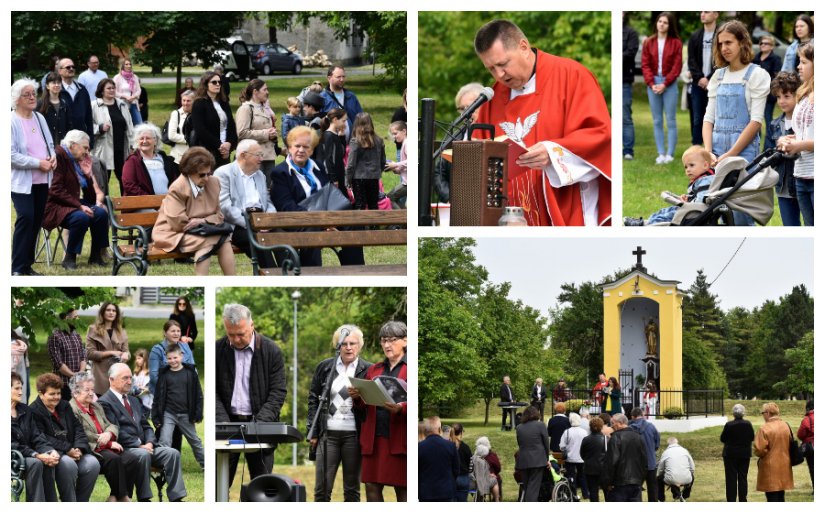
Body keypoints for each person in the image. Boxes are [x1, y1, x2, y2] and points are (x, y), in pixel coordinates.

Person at [474, 19, 611, 226]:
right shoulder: (491, 99)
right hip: (511, 218)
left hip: (565, 208)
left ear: (523, 47)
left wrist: (553, 152)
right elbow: (481, 159)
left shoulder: (571, 76)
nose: (499, 75)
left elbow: (600, 135)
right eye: (491, 68)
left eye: (503, 64)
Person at [703, 20, 771, 224]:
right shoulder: (718, 76)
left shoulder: (757, 75)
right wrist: (708, 151)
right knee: (712, 208)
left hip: (743, 151)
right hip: (715, 151)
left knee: (740, 213)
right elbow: (708, 118)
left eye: (729, 42)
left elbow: (756, 121)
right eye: (720, 44)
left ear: (742, 42)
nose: (724, 48)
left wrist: (731, 154)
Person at [270, 125, 366, 267]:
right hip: (298, 221)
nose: (301, 150)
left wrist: (329, 221)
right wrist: (319, 222)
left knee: (352, 224)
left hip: (326, 219)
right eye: (297, 146)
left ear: (312, 149)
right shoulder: (280, 173)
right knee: (312, 231)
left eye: (306, 147)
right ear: (289, 148)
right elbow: (286, 207)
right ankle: (312, 274)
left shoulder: (318, 166)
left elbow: (329, 195)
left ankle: (355, 271)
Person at [215, 304, 287, 486]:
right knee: (219, 484)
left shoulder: (272, 351)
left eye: (241, 334)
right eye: (231, 335)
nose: (236, 339)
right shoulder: (217, 350)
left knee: (261, 486)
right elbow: (212, 390)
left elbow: (277, 392)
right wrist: (223, 422)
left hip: (260, 426)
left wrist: (259, 423)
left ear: (251, 325)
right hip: (226, 426)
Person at [99, 363, 187, 502]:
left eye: (130, 378)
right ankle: (144, 498)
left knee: (172, 453)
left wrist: (150, 442)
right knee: (143, 454)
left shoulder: (134, 400)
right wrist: (139, 445)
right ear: (111, 379)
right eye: (125, 378)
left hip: (146, 447)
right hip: (125, 449)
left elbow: (146, 426)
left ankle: (176, 498)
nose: (129, 381)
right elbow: (115, 430)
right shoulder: (104, 402)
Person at [306, 325, 371, 502]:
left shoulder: (368, 370)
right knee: (322, 489)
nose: (348, 347)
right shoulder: (325, 367)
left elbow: (372, 405)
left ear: (360, 345)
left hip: (354, 435)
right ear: (337, 345)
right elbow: (313, 399)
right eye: (344, 343)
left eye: (353, 343)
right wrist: (312, 429)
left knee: (352, 490)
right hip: (327, 435)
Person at [151, 146, 236, 275]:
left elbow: (219, 215)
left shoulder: (214, 183)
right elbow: (178, 223)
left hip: (201, 231)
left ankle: (232, 281)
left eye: (209, 173)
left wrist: (201, 220)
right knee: (210, 241)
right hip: (172, 233)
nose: (207, 178)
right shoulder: (177, 188)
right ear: (189, 172)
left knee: (224, 239)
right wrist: (206, 222)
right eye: (202, 175)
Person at [348, 321, 407, 502]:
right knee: (371, 488)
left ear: (405, 341)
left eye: (392, 340)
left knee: (403, 491)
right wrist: (357, 397)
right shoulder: (374, 369)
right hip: (373, 439)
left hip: (398, 439)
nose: (387, 345)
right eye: (383, 341)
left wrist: (401, 408)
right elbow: (363, 406)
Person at [42, 130, 108, 270]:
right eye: (85, 147)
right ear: (72, 145)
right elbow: (55, 190)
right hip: (54, 206)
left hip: (71, 204)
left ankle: (96, 256)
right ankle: (69, 258)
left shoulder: (76, 159)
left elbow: (90, 197)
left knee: (101, 213)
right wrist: (79, 206)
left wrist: (88, 174)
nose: (87, 151)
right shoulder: (59, 156)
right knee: (81, 217)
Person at [29, 372, 100, 502]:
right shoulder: (33, 411)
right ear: (40, 393)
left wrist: (79, 448)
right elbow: (42, 437)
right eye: (52, 394)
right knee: (68, 464)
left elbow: (78, 428)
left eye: (58, 393)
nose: (56, 397)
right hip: (54, 454)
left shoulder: (65, 405)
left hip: (73, 450)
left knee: (92, 463)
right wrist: (67, 449)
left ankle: (81, 502)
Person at [69, 372, 136, 502]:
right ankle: (123, 498)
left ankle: (114, 496)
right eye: (86, 390)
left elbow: (111, 425)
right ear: (75, 392)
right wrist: (109, 444)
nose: (91, 393)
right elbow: (82, 433)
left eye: (92, 390)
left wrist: (109, 434)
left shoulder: (96, 406)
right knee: (114, 459)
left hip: (106, 446)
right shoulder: (71, 408)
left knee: (132, 459)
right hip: (91, 448)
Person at [11, 78, 55, 276]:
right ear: (16, 99)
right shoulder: (10, 121)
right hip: (21, 182)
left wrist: (52, 159)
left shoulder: (39, 117)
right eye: (26, 94)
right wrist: (38, 163)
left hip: (42, 179)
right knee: (26, 217)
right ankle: (17, 267)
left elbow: (49, 144)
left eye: (33, 93)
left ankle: (27, 265)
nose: (32, 97)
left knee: (36, 220)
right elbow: (10, 156)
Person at [214, 139, 278, 269]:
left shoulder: (260, 175)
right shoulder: (224, 173)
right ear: (243, 155)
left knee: (282, 237)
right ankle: (274, 277)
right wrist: (254, 224)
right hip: (238, 224)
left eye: (262, 155)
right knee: (259, 241)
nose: (261, 158)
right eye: (258, 155)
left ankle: (290, 276)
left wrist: (269, 220)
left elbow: (268, 202)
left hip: (261, 220)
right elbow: (225, 208)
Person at [624, 145, 715, 226]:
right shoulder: (701, 179)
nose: (688, 169)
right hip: (692, 209)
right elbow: (699, 196)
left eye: (691, 165)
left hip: (695, 212)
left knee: (669, 215)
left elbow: (702, 201)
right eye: (686, 167)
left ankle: (648, 225)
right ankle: (646, 222)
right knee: (665, 211)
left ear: (705, 165)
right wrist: (688, 198)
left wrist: (688, 203)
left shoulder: (705, 181)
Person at [777, 42, 814, 227]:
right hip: (801, 175)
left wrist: (800, 145)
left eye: (804, 62)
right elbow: (803, 133)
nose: (799, 66)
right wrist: (787, 139)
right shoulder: (803, 94)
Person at [151, 343, 204, 470]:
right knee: (164, 441)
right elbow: (157, 397)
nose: (173, 361)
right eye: (169, 358)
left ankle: (206, 465)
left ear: (182, 356)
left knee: (195, 441)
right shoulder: (164, 375)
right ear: (166, 358)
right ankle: (165, 466)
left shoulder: (190, 373)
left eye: (175, 357)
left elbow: (198, 394)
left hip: (186, 414)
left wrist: (198, 413)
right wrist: (156, 416)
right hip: (168, 413)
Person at [433, 82, 486, 203]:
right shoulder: (455, 136)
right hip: (457, 205)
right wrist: (450, 199)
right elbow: (439, 172)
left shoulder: (495, 133)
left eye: (472, 107)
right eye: (462, 108)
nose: (466, 112)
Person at [11, 371, 59, 502]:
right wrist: (36, 455)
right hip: (12, 457)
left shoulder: (25, 410)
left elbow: (37, 436)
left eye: (21, 388)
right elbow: (11, 445)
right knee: (36, 463)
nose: (21, 392)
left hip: (27, 455)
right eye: (16, 388)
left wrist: (49, 451)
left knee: (47, 462)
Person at [642, 12, 683, 165]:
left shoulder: (676, 43)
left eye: (665, 22)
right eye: (660, 21)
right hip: (652, 83)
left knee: (671, 119)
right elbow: (645, 64)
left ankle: (670, 153)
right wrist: (652, 83)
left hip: (669, 83)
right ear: (656, 23)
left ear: (670, 25)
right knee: (657, 120)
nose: (662, 24)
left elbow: (677, 66)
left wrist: (665, 84)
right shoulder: (648, 42)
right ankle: (660, 153)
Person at [765, 72, 802, 226]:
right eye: (779, 97)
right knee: (790, 227)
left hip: (802, 183)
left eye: (787, 96)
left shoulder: (803, 122)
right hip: (783, 187)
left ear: (797, 96)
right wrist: (777, 149)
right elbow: (767, 153)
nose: (781, 101)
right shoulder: (774, 124)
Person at [91, 78, 134, 195]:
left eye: (113, 88)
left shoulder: (122, 105)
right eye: (108, 88)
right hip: (104, 150)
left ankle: (127, 210)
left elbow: (130, 126)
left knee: (125, 181)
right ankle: (104, 210)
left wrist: (132, 145)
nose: (112, 90)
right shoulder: (94, 106)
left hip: (121, 150)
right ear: (101, 91)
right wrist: (99, 128)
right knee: (103, 183)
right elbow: (87, 127)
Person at [236, 79, 280, 184]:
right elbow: (242, 133)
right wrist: (266, 134)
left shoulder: (265, 108)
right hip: (253, 157)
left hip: (269, 156)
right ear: (255, 92)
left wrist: (273, 135)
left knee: (269, 191)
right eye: (264, 89)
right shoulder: (246, 109)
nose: (267, 92)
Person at [189, 71, 237, 166]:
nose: (218, 84)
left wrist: (229, 144)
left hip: (225, 152)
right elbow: (201, 130)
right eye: (214, 82)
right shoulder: (199, 103)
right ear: (206, 84)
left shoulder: (224, 103)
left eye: (220, 82)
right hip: (208, 152)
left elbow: (231, 126)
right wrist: (219, 145)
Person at [687, 12, 720, 145]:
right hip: (698, 84)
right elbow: (691, 60)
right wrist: (700, 78)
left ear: (716, 14)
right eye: (701, 11)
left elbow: (722, 60)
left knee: (716, 117)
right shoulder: (695, 36)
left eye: (707, 11)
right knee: (697, 118)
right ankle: (696, 149)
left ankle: (714, 148)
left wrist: (710, 78)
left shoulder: (721, 34)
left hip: (716, 83)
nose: (702, 14)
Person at [122, 123, 179, 197]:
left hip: (167, 202)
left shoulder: (165, 159)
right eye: (141, 138)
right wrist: (150, 200)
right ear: (137, 142)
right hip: (141, 204)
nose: (144, 141)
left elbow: (175, 182)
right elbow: (129, 185)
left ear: (155, 141)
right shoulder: (132, 160)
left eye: (148, 138)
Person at [86, 302, 130, 396]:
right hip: (99, 375)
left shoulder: (122, 331)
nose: (111, 313)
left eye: (114, 311)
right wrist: (111, 352)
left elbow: (126, 351)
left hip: (117, 374)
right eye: (108, 310)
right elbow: (89, 353)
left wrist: (126, 354)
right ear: (102, 312)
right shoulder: (93, 329)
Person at [754, 402, 794, 501]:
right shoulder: (786, 426)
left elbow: (759, 449)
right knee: (781, 495)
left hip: (770, 468)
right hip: (784, 465)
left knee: (772, 497)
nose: (762, 415)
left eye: (762, 413)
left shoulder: (764, 428)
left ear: (767, 413)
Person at [346, 112, 386, 210]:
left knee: (360, 205)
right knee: (373, 204)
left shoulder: (355, 141)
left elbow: (351, 164)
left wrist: (348, 180)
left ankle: (360, 225)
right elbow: (383, 160)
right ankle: (374, 225)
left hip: (358, 178)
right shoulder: (379, 140)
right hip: (374, 176)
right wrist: (378, 172)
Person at [604, 413, 647, 501]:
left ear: (619, 423)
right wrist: (640, 480)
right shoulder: (638, 437)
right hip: (636, 482)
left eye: (613, 423)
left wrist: (608, 482)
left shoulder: (616, 437)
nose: (612, 426)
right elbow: (644, 461)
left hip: (619, 483)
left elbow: (611, 462)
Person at [47, 308, 86, 400]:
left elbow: (83, 355)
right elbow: (58, 363)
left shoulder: (76, 335)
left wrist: (80, 373)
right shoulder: (55, 336)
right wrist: (73, 376)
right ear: (65, 318)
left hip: (78, 383)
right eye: (75, 317)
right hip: (63, 385)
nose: (78, 319)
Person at [148, 320, 196, 396]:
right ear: (165, 333)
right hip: (163, 393)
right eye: (173, 331)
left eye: (178, 331)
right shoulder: (157, 350)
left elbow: (193, 370)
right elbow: (154, 376)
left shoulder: (186, 347)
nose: (176, 334)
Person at [418, 416, 459, 501]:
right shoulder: (450, 446)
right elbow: (456, 470)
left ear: (426, 430)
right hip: (446, 491)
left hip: (426, 492)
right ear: (440, 429)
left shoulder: (419, 447)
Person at [720, 403, 754, 502]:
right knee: (743, 477)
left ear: (733, 413)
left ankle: (731, 499)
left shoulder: (729, 425)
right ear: (743, 413)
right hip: (744, 454)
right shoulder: (748, 424)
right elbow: (752, 437)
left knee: (731, 478)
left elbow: (723, 438)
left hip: (730, 454)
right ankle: (743, 499)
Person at [515, 406, 550, 502]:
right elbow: (546, 444)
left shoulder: (519, 428)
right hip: (537, 460)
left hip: (523, 460)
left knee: (527, 487)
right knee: (533, 488)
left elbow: (520, 443)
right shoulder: (541, 425)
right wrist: (547, 459)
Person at [753, 35, 782, 146]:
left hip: (769, 95)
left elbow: (776, 78)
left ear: (772, 46)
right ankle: (756, 143)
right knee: (755, 120)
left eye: (766, 43)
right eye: (761, 43)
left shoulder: (775, 59)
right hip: (756, 94)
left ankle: (768, 146)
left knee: (768, 119)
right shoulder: (755, 58)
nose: (763, 45)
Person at [58, 58, 95, 145]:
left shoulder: (82, 89)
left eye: (73, 67)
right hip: (64, 140)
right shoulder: (57, 91)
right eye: (68, 67)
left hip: (82, 138)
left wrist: (91, 140)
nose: (71, 69)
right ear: (60, 71)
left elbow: (89, 116)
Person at [321, 65, 363, 136]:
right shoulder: (322, 98)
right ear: (329, 78)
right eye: (338, 77)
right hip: (331, 142)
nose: (342, 79)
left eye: (343, 76)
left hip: (351, 142)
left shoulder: (351, 96)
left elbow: (360, 118)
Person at [629, 407, 661, 502]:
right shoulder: (651, 427)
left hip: (636, 465)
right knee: (653, 488)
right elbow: (657, 444)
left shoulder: (629, 429)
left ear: (632, 416)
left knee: (636, 489)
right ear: (643, 415)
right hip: (650, 462)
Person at [318, 109, 349, 197]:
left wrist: (342, 137)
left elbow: (341, 154)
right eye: (344, 120)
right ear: (335, 120)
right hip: (334, 176)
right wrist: (334, 179)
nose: (345, 123)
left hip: (339, 173)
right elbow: (329, 158)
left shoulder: (335, 135)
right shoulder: (329, 136)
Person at [560, 412, 589, 500]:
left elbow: (562, 446)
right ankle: (585, 494)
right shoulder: (584, 432)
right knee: (582, 476)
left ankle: (573, 494)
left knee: (571, 477)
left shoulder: (567, 432)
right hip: (582, 458)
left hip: (570, 458)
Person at [622, 12, 639, 159]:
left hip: (624, 80)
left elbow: (630, 53)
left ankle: (628, 150)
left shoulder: (631, 33)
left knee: (625, 117)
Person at [38, 72, 72, 144]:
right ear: (47, 86)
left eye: (59, 83)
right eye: (53, 83)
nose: (57, 85)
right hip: (45, 144)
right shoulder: (40, 104)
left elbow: (69, 126)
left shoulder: (65, 104)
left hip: (62, 144)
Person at [657, 437, 695, 501]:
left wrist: (660, 474)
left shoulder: (666, 452)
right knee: (692, 477)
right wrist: (689, 474)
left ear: (668, 444)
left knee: (659, 479)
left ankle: (661, 498)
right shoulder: (685, 451)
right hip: (687, 479)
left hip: (671, 478)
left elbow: (660, 469)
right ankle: (685, 496)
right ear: (677, 442)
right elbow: (692, 468)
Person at [580, 416, 608, 502]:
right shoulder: (606, 439)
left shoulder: (586, 439)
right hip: (603, 468)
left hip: (590, 468)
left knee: (593, 491)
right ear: (602, 426)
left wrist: (588, 460)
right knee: (607, 491)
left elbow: (582, 454)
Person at [167, 90, 194, 165]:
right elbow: (172, 136)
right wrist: (190, 140)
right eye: (184, 100)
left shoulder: (198, 114)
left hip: (195, 156)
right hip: (178, 157)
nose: (185, 103)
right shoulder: (176, 114)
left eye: (188, 101)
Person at [112, 58, 142, 126]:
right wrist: (125, 97)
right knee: (125, 125)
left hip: (133, 103)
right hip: (122, 104)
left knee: (139, 123)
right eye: (126, 64)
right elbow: (114, 91)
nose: (129, 66)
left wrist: (133, 97)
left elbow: (138, 90)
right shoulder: (117, 78)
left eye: (130, 64)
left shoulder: (134, 77)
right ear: (122, 66)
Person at [386, 120, 407, 210]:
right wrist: (394, 169)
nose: (394, 137)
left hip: (408, 183)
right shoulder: (405, 143)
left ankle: (403, 220)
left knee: (389, 197)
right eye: (393, 134)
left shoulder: (407, 144)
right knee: (392, 197)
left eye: (395, 133)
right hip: (406, 181)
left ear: (404, 131)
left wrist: (395, 164)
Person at [473, 436, 501, 501]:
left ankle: (481, 498)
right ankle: (497, 499)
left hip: (473, 482)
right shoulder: (490, 456)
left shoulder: (473, 457)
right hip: (482, 481)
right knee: (496, 479)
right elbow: (498, 468)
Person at [451, 423, 472, 501]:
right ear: (461, 432)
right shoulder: (466, 447)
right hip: (463, 478)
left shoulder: (447, 446)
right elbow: (470, 464)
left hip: (451, 478)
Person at [797, 400, 814, 489]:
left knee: (813, 468)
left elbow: (800, 434)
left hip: (811, 447)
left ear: (808, 408)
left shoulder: (807, 419)